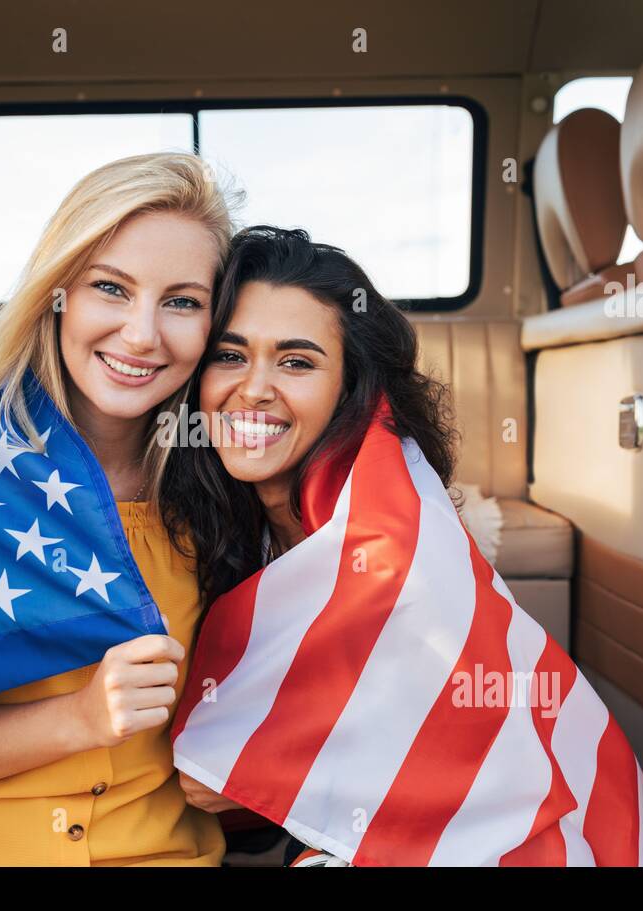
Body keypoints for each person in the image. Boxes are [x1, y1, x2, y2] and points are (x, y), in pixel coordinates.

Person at [0, 152, 242, 866]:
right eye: (110, 288)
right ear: (57, 293)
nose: (142, 334)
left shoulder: (222, 486)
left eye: (182, 301)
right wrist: (81, 719)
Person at [160, 224, 460, 866]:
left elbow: (439, 763)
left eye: (296, 362)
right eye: (230, 355)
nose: (255, 389)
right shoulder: (206, 513)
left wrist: (259, 769)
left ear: (352, 388)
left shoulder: (397, 550)